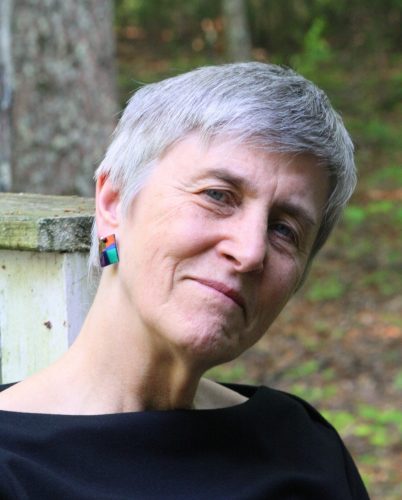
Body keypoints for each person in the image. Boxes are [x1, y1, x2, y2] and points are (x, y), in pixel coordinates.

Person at [0, 62, 370, 499]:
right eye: (218, 196)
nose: (250, 252)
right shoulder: (14, 464)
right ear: (113, 202)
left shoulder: (303, 448)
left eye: (284, 230)